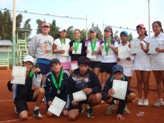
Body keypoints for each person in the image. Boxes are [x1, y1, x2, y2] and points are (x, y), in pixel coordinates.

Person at [7, 55, 45, 120]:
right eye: (26, 63)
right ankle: (18, 106)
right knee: (24, 117)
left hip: (28, 94)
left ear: (33, 66)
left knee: (41, 90)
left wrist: (39, 74)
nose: (27, 66)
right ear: (23, 64)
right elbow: (11, 89)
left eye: (30, 64)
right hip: (19, 97)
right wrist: (11, 82)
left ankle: (36, 110)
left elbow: (37, 85)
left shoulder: (32, 74)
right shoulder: (18, 72)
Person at [67, 56, 102, 120]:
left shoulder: (92, 74)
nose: (83, 68)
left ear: (88, 66)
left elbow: (99, 87)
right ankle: (79, 108)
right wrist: (72, 100)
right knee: (71, 117)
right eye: (81, 66)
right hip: (77, 98)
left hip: (88, 97)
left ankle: (88, 107)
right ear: (78, 66)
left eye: (85, 66)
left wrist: (91, 89)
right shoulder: (73, 74)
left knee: (98, 96)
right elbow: (69, 90)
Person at [132, 24, 151, 106]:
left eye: (141, 29)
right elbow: (133, 52)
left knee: (145, 81)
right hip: (137, 61)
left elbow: (150, 52)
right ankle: (140, 98)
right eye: (138, 29)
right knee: (139, 81)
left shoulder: (149, 39)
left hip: (146, 62)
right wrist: (133, 51)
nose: (139, 30)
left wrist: (143, 48)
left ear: (144, 29)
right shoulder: (134, 39)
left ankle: (146, 98)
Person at [150, 21, 164, 107]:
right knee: (158, 81)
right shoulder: (151, 38)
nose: (154, 28)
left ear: (160, 27)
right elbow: (150, 49)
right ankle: (160, 99)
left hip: (162, 61)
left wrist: (161, 50)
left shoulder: (163, 36)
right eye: (153, 27)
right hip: (154, 61)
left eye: (156, 27)